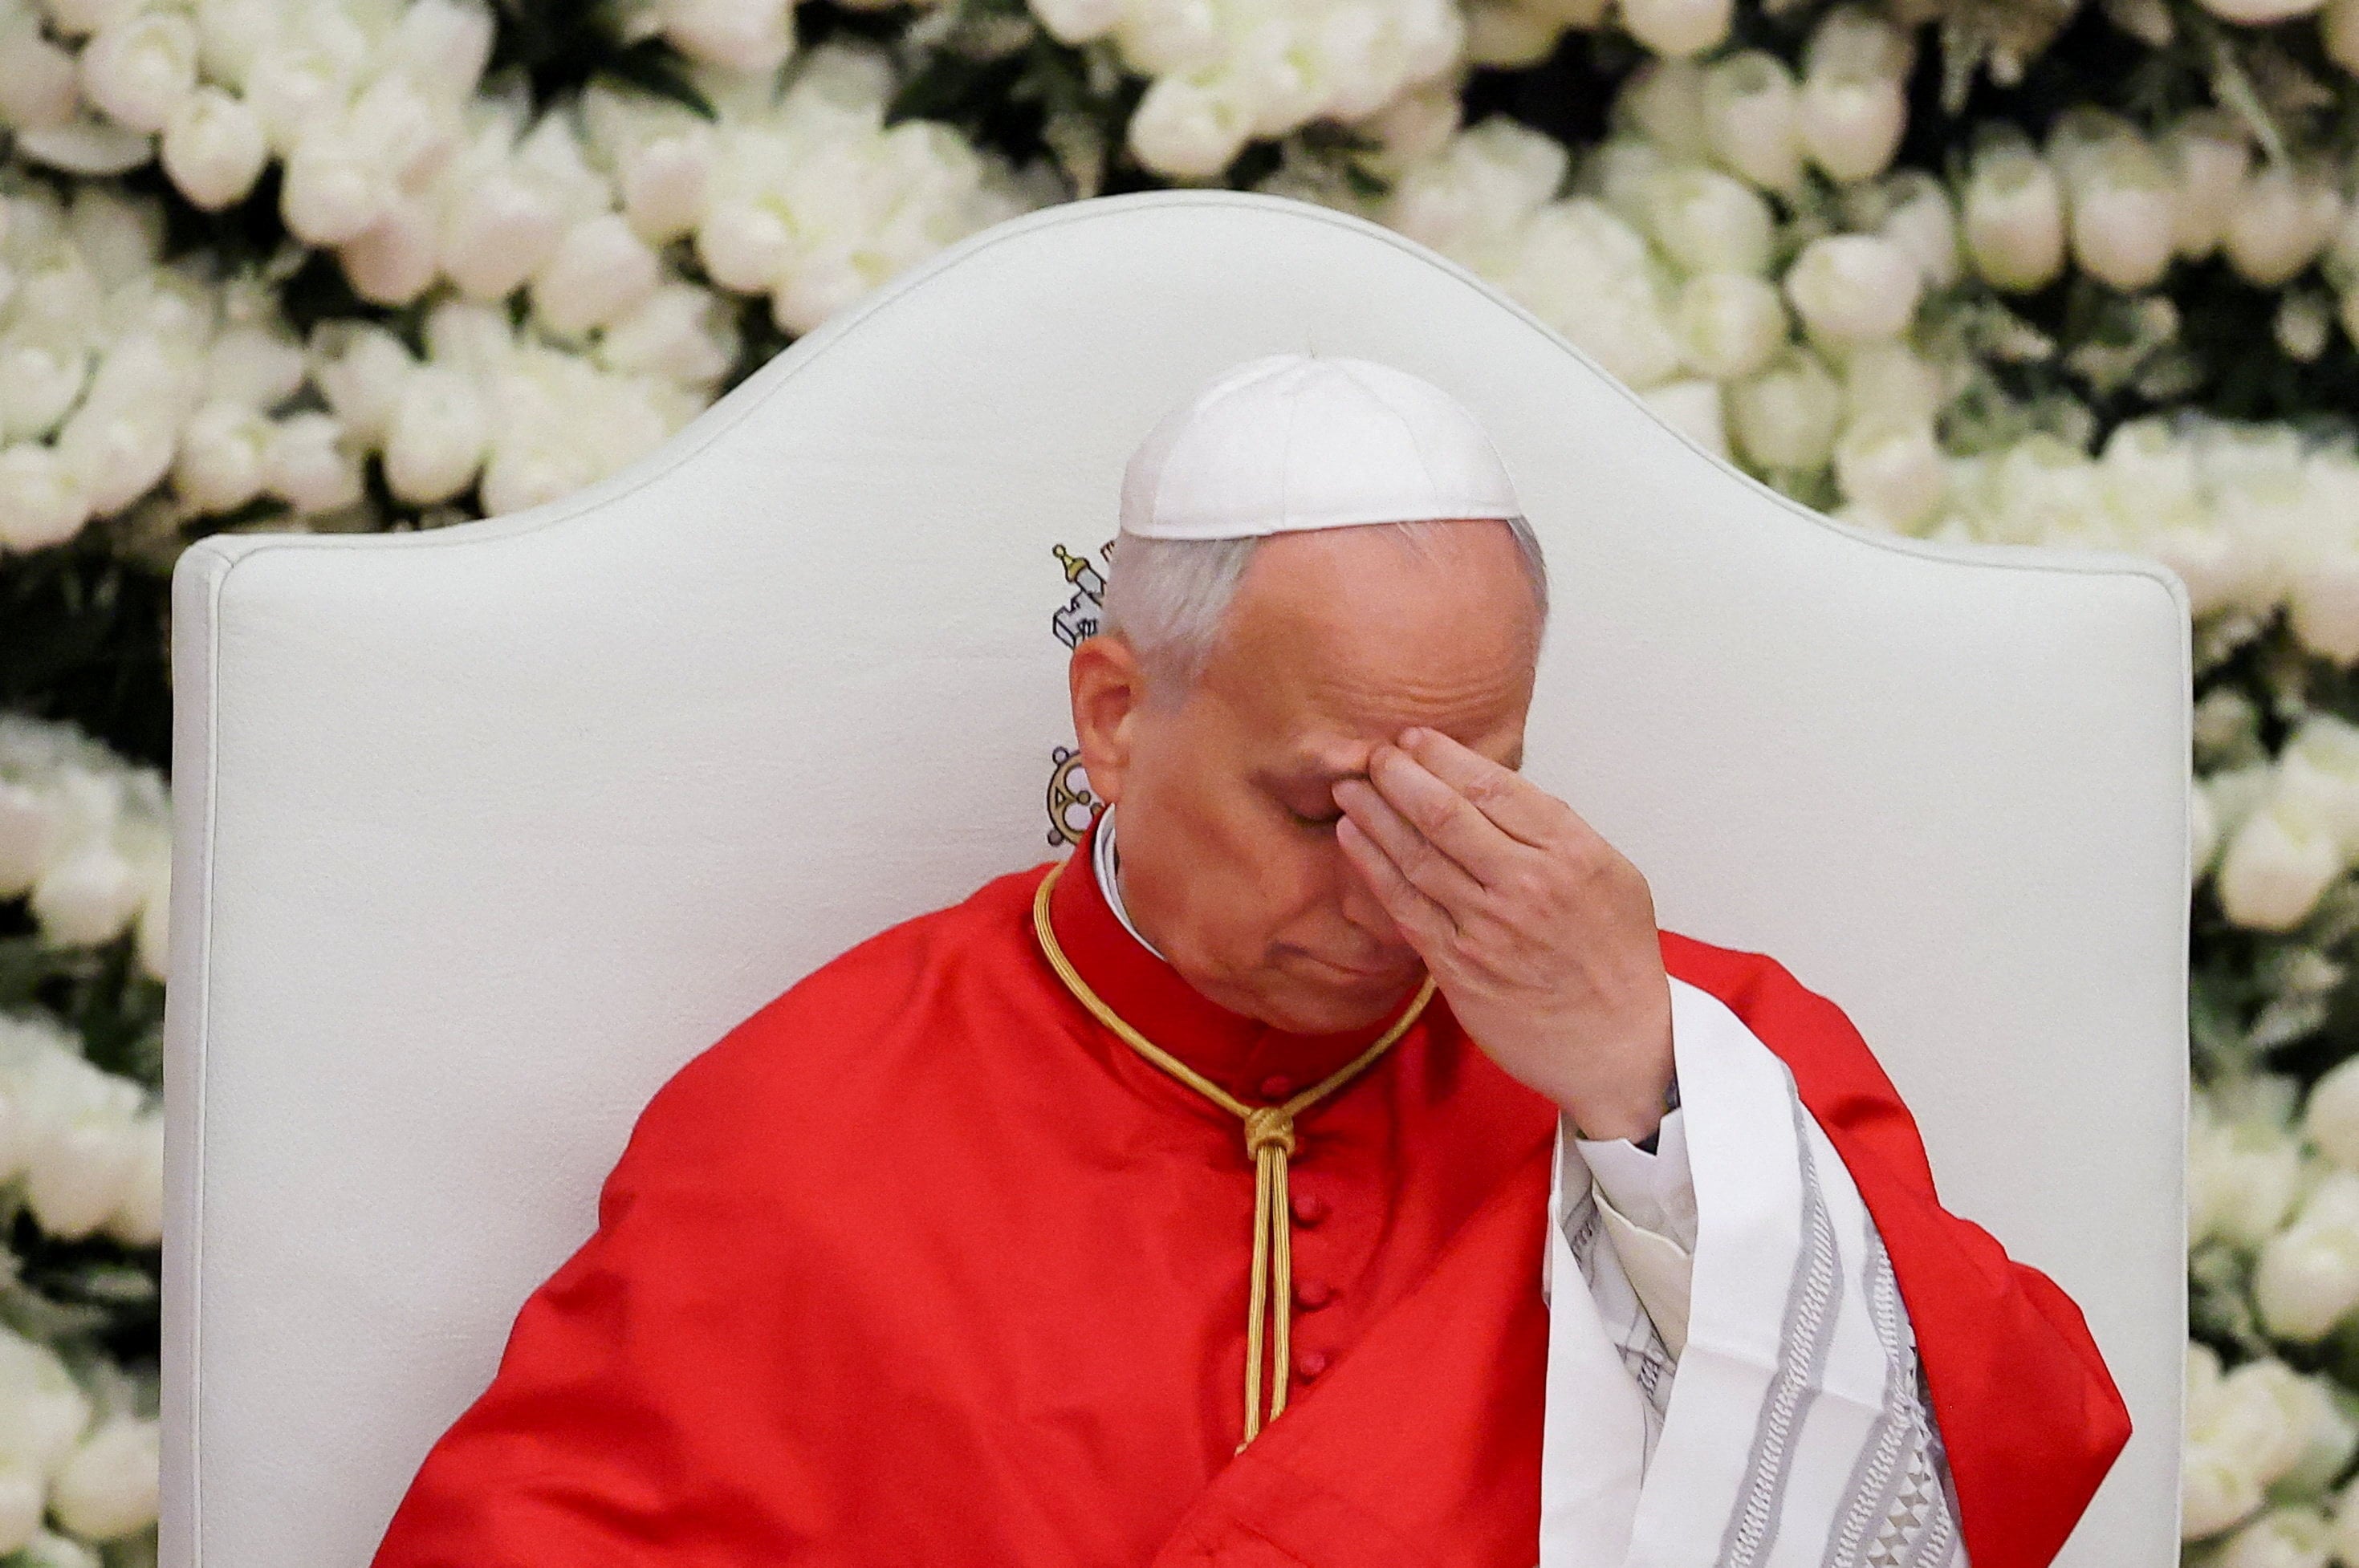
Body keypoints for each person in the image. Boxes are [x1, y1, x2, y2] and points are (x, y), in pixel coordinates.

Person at [368, 353, 2129, 1568]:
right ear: (1118, 715)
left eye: (1468, 792)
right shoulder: (807, 1117)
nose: (1394, 890)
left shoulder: (1707, 1053)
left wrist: (1645, 1111)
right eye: (1322, 807)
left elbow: (2008, 1463)